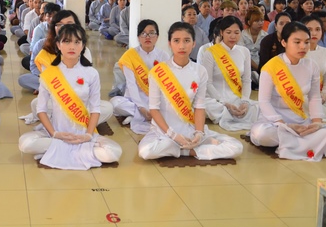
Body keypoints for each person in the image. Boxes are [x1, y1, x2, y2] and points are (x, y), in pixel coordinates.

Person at [18, 24, 122, 169]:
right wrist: (55, 134)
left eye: (77, 42)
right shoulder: (49, 74)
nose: (72, 46)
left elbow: (95, 108)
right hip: (57, 132)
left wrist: (88, 135)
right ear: (58, 45)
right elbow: (41, 110)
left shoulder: (91, 73)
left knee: (113, 153)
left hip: (82, 132)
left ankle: (57, 150)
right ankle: (66, 148)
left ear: (83, 45)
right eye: (66, 41)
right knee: (26, 144)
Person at [138, 22, 243, 161]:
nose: (182, 46)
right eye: (176, 41)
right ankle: (189, 151)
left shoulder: (200, 71)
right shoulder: (157, 72)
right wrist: (173, 135)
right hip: (163, 132)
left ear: (193, 44)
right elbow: (154, 109)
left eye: (186, 41)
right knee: (146, 152)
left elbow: (200, 106)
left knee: (236, 147)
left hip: (190, 128)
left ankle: (185, 149)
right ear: (170, 43)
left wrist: (199, 133)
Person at [250, 22, 326, 161]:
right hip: (275, 122)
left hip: (301, 121)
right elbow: (264, 101)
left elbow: (315, 97)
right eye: (297, 42)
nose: (303, 46)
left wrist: (316, 123)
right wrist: (283, 125)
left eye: (306, 42)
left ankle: (295, 143)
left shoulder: (311, 66)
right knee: (262, 135)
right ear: (284, 42)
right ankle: (311, 142)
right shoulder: (271, 67)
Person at [110, 20, 170, 134]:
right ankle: (145, 115)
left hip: (155, 98)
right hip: (133, 98)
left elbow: (166, 85)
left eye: (151, 33)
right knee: (115, 104)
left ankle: (136, 115)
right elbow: (131, 84)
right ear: (138, 37)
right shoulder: (130, 56)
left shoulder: (164, 56)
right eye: (143, 33)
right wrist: (142, 108)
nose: (147, 37)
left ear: (157, 37)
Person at [201, 16, 257, 131]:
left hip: (235, 98)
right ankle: (229, 113)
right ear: (221, 33)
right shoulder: (210, 53)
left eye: (236, 32)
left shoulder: (244, 51)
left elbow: (247, 80)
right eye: (228, 32)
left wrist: (245, 101)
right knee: (208, 106)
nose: (233, 36)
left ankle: (235, 112)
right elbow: (208, 83)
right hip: (216, 100)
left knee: (258, 107)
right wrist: (224, 103)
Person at [301, 15, 326, 121]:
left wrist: (325, 94)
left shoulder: (325, 52)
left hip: (321, 95)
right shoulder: (297, 52)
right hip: (302, 96)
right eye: (309, 29)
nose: (314, 33)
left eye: (317, 29)